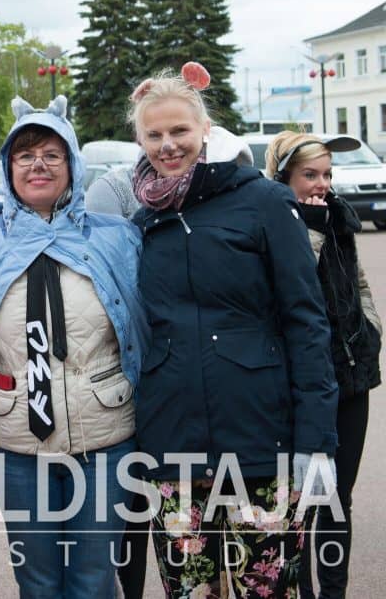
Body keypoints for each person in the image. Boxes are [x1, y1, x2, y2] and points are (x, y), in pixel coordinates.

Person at [129, 62, 339, 598]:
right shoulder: (142, 219)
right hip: (171, 443)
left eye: (179, 131)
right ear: (140, 139)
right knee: (190, 591)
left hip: (260, 438)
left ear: (204, 130)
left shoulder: (263, 202)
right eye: (154, 134)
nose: (168, 145)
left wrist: (316, 441)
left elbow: (306, 321)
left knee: (263, 589)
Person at [0, 95, 148, 598]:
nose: (38, 165)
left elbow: (147, 333)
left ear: (73, 162)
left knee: (93, 579)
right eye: (25, 155)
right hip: (17, 446)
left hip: (106, 439)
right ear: (9, 169)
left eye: (52, 153)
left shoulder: (117, 241)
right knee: (38, 579)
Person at [265, 131, 382, 599]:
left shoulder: (339, 219)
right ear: (283, 179)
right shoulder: (274, 225)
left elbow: (360, 285)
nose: (322, 185)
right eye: (309, 175)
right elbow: (284, 295)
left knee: (339, 499)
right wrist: (309, 227)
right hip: (299, 387)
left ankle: (334, 593)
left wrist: (369, 328)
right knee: (300, 503)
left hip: (350, 378)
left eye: (328, 174)